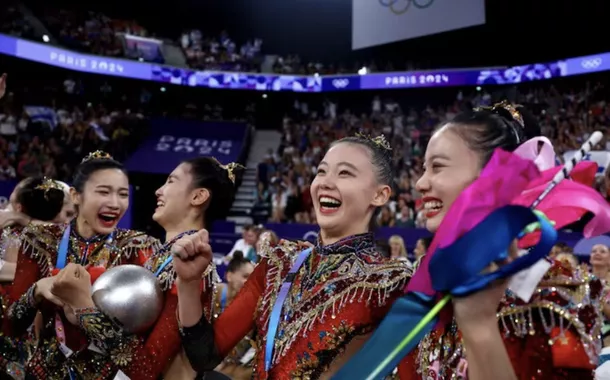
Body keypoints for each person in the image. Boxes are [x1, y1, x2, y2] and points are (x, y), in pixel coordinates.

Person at [172, 133, 527, 379]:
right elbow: (205, 355)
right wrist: (189, 285)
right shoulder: (277, 265)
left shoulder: (390, 286)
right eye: (321, 171)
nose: (325, 182)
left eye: (345, 174)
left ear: (379, 194)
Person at [393, 102, 603, 379]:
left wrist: (480, 326)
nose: (420, 183)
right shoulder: (425, 281)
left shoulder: (550, 292)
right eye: (423, 168)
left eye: (437, 167)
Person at [1, 151, 162, 380]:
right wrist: (36, 291)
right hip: (42, 374)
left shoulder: (137, 248)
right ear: (76, 196)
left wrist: (85, 309)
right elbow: (12, 326)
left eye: (123, 194)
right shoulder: (40, 240)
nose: (115, 204)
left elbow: (140, 362)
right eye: (104, 192)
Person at [141, 157, 239, 380]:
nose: (159, 190)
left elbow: (147, 365)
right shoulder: (164, 256)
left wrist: (85, 312)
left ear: (198, 196)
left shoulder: (191, 263)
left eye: (170, 181)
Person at [213, 251, 256, 380]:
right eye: (245, 276)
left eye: (253, 278)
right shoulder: (213, 295)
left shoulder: (255, 306)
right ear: (229, 276)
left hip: (234, 365)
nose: (250, 282)